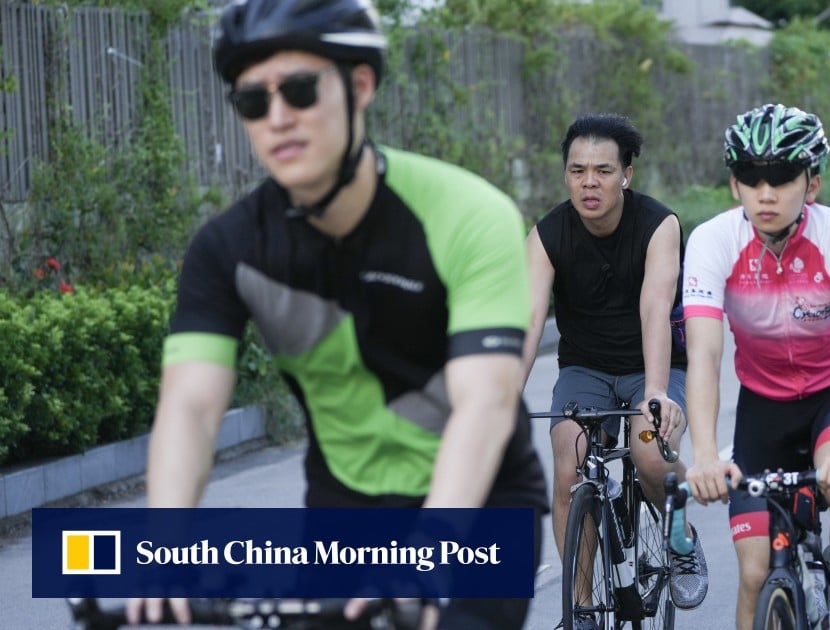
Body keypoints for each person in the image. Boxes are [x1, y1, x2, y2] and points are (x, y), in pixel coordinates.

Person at [126, 1, 546, 628]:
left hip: (481, 501)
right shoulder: (228, 250)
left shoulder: (467, 213)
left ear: (360, 86)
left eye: (298, 90)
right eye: (252, 102)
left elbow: (485, 399)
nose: (277, 118)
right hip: (344, 508)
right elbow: (190, 406)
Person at [683, 104, 830, 630]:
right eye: (750, 178)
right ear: (735, 185)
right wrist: (704, 456)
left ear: (811, 184)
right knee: (754, 574)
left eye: (781, 178)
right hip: (762, 410)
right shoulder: (713, 242)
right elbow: (704, 353)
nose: (765, 193)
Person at [521, 114, 709, 625]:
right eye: (577, 170)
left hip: (653, 365)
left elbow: (655, 308)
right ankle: (580, 606)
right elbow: (530, 320)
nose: (589, 182)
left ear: (626, 173)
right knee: (568, 467)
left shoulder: (659, 224)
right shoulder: (547, 235)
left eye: (603, 170)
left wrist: (654, 392)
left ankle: (681, 542)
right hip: (585, 367)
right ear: (565, 174)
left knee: (650, 457)